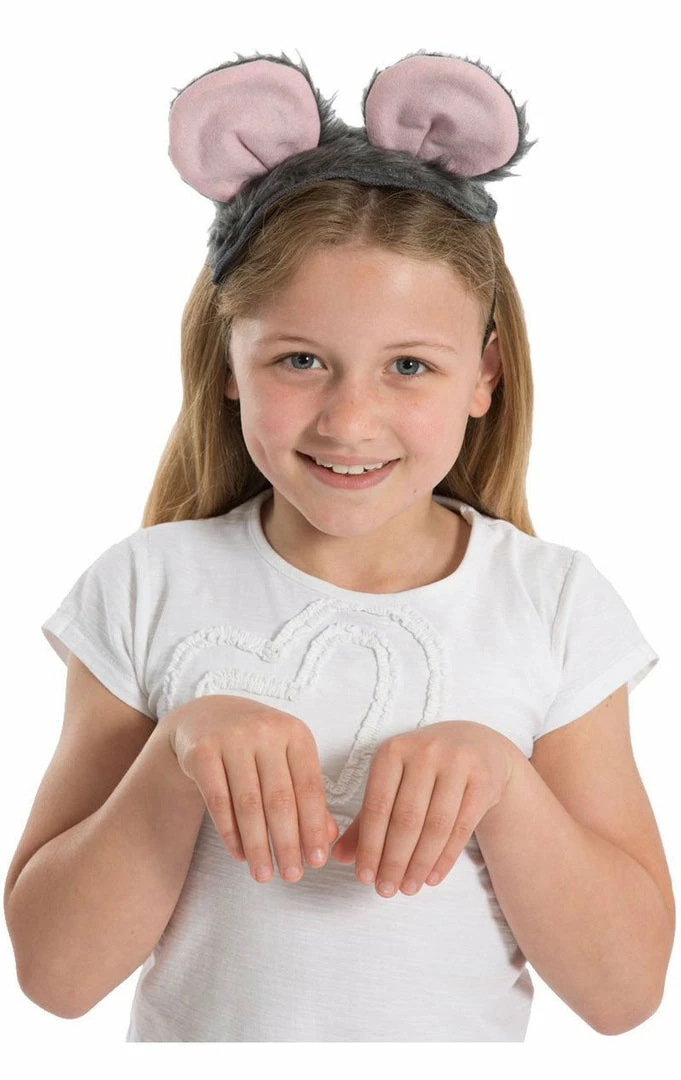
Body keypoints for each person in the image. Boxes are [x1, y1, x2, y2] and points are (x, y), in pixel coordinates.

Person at [5, 48, 673, 1042]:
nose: (350, 421)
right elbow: (54, 976)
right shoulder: (147, 585)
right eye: (300, 359)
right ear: (228, 363)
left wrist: (501, 778)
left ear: (484, 375)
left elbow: (624, 995)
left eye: (408, 366)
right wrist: (177, 755)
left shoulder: (553, 605)